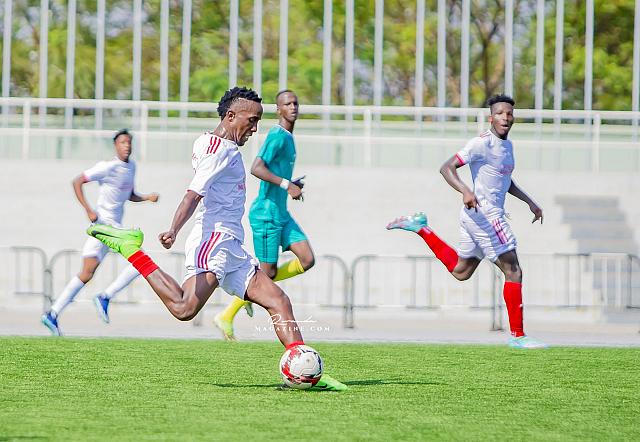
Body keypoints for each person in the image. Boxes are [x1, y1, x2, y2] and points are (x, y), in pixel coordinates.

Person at [87, 87, 346, 390]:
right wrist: (173, 229)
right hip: (214, 241)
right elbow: (193, 194)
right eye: (251, 121)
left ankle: (306, 369)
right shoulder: (220, 151)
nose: (254, 129)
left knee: (279, 301)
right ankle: (132, 250)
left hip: (231, 245)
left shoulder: (210, 142)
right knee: (184, 308)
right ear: (231, 116)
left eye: (258, 121)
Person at [386, 94, 547, 349]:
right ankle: (518, 336)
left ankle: (422, 228)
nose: (505, 117)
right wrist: (465, 190)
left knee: (461, 272)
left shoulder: (508, 147)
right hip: (486, 215)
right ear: (491, 117)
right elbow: (446, 167)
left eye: (509, 113)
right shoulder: (481, 143)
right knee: (513, 270)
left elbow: (504, 181)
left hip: (475, 216)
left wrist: (530, 202)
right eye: (500, 113)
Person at [214, 89, 314, 341]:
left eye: (296, 103)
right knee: (267, 275)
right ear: (278, 110)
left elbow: (275, 173)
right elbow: (256, 168)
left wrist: (292, 183)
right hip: (266, 214)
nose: (293, 107)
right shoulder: (277, 135)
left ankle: (253, 293)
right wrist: (286, 185)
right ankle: (227, 314)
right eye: (287, 104)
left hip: (282, 213)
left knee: (307, 259)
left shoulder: (289, 137)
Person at [41, 129, 159, 336]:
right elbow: (77, 181)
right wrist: (88, 210)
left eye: (129, 142)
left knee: (88, 273)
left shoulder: (131, 167)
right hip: (104, 227)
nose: (127, 146)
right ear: (115, 145)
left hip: (113, 228)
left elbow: (129, 194)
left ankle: (53, 313)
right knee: (141, 262)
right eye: (123, 142)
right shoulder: (107, 166)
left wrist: (146, 197)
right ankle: (104, 297)